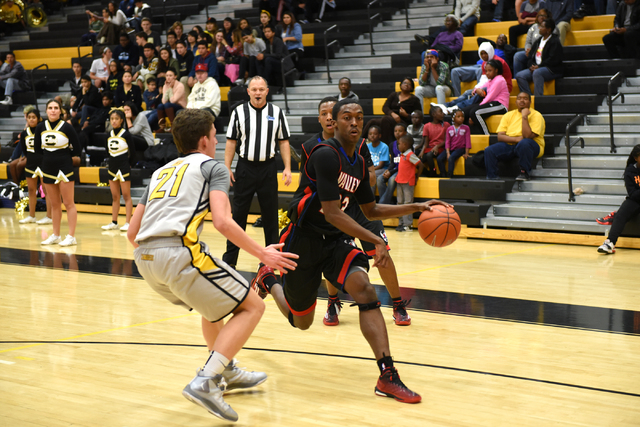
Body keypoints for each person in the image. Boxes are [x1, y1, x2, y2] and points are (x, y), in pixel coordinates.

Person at [252, 99, 450, 403]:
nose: (355, 123)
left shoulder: (358, 162)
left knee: (366, 291)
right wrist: (378, 242)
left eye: (359, 117)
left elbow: (369, 210)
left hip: (333, 241)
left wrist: (415, 206)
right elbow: (332, 212)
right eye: (347, 117)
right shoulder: (325, 155)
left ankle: (387, 375)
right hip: (303, 240)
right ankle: (269, 280)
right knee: (300, 321)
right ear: (335, 121)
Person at [126, 108, 298, 422]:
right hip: (179, 253)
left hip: (145, 260)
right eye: (215, 135)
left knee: (211, 305)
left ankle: (225, 370)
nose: (217, 140)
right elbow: (222, 221)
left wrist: (159, 257)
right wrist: (263, 253)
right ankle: (206, 380)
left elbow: (131, 233)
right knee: (253, 306)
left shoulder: (160, 172)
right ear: (205, 139)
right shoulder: (213, 167)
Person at [301, 97, 412, 326]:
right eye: (325, 113)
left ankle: (398, 304)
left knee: (383, 253)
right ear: (320, 118)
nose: (330, 117)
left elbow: (370, 178)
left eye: (334, 112)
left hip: (359, 206)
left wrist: (352, 177)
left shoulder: (358, 144)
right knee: (331, 258)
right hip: (331, 209)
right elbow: (308, 186)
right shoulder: (310, 148)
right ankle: (332, 301)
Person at [222, 76, 292, 269]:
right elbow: (231, 141)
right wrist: (227, 167)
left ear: (267, 91)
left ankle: (273, 261)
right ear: (248, 92)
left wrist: (287, 167)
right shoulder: (238, 112)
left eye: (261, 89)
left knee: (270, 217)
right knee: (238, 216)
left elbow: (283, 141)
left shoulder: (276, 112)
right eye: (254, 89)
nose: (258, 93)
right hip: (245, 168)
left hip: (268, 168)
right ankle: (230, 261)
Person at [35, 100, 81, 247]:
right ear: (46, 111)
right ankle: (55, 235)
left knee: (68, 203)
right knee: (54, 204)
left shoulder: (67, 127)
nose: (53, 111)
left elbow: (78, 149)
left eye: (56, 108)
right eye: (50, 108)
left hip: (65, 167)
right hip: (48, 167)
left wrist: (64, 155)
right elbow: (37, 149)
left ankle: (71, 236)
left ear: (60, 111)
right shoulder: (41, 127)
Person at [484, 92, 545, 180]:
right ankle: (492, 177)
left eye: (525, 98)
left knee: (524, 143)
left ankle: (524, 173)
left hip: (532, 145)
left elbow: (527, 136)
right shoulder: (508, 115)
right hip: (511, 144)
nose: (522, 101)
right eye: (519, 98)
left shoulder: (537, 115)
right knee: (489, 150)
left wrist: (524, 117)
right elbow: (500, 137)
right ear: (516, 102)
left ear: (530, 102)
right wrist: (516, 139)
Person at [596, 145, 640, 254]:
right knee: (621, 214)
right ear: (636, 158)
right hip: (636, 200)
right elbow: (633, 194)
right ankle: (609, 243)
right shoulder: (630, 171)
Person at [363, 77, 422, 147]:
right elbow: (385, 107)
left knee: (385, 119)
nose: (406, 85)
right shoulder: (394, 95)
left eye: (409, 84)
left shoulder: (414, 99)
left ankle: (383, 146)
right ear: (400, 85)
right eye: (404, 83)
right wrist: (393, 114)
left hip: (403, 121)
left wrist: (406, 115)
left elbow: (419, 115)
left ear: (412, 88)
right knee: (372, 121)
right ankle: (360, 142)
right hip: (390, 117)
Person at [101, 109, 134, 232]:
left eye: (116, 119)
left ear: (121, 120)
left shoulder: (126, 134)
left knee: (126, 195)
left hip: (124, 166)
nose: (114, 121)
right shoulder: (108, 135)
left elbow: (133, 152)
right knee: (115, 196)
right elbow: (107, 151)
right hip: (112, 167)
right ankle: (114, 221)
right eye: (112, 119)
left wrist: (129, 165)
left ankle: (128, 222)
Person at [17, 109, 52, 224]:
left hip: (43, 163)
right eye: (29, 117)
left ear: (38, 119)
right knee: (32, 190)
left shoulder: (42, 130)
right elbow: (25, 150)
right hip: (31, 164)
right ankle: (32, 216)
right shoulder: (24, 133)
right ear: (26, 119)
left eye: (34, 117)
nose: (31, 119)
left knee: (46, 190)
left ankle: (49, 216)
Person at [515, 18, 563, 97]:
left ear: (548, 29)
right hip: (537, 67)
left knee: (537, 73)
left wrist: (539, 67)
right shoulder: (538, 40)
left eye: (542, 27)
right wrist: (532, 66)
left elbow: (553, 59)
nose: (539, 28)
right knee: (520, 75)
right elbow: (531, 56)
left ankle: (539, 100)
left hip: (551, 69)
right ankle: (529, 98)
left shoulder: (554, 41)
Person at [460, 59, 510, 135]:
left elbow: (490, 97)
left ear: (496, 70)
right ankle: (472, 134)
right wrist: (476, 89)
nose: (487, 73)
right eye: (486, 71)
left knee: (475, 112)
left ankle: (487, 136)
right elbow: (480, 87)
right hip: (491, 103)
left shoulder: (500, 80)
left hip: (500, 105)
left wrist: (479, 106)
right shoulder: (491, 81)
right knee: (463, 112)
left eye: (490, 70)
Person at [513, 9, 555, 75]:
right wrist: (528, 49)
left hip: (543, 52)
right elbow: (528, 42)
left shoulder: (552, 28)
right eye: (539, 15)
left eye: (543, 15)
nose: (541, 17)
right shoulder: (533, 27)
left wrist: (534, 51)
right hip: (531, 52)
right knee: (518, 56)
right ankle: (516, 78)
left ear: (548, 17)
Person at [395, 135, 423, 232]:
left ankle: (407, 225)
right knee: (400, 203)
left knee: (407, 203)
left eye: (399, 144)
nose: (398, 146)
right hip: (399, 181)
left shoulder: (410, 155)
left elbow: (420, 165)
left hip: (407, 182)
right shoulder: (402, 155)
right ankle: (401, 223)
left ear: (405, 145)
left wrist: (416, 177)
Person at [378, 123, 408, 204]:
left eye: (400, 131)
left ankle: (382, 204)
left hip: (403, 169)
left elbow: (404, 164)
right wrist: (388, 170)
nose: (397, 133)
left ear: (405, 133)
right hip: (394, 169)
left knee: (391, 179)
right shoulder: (392, 145)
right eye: (395, 131)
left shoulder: (407, 145)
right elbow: (392, 162)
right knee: (380, 179)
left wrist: (391, 172)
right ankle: (389, 203)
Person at [418, 105, 450, 176]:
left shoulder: (446, 125)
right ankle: (428, 173)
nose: (443, 114)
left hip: (440, 148)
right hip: (430, 148)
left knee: (429, 155)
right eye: (440, 112)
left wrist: (437, 146)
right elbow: (426, 143)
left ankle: (433, 172)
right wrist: (422, 152)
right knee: (416, 161)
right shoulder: (427, 126)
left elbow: (446, 140)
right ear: (434, 114)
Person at [440, 109, 471, 178]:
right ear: (453, 118)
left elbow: (468, 141)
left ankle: (450, 175)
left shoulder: (466, 128)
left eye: (462, 116)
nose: (461, 118)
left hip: (460, 148)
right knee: (439, 158)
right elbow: (447, 141)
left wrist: (466, 153)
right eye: (458, 116)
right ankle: (443, 174)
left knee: (451, 158)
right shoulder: (449, 128)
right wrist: (447, 152)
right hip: (451, 148)